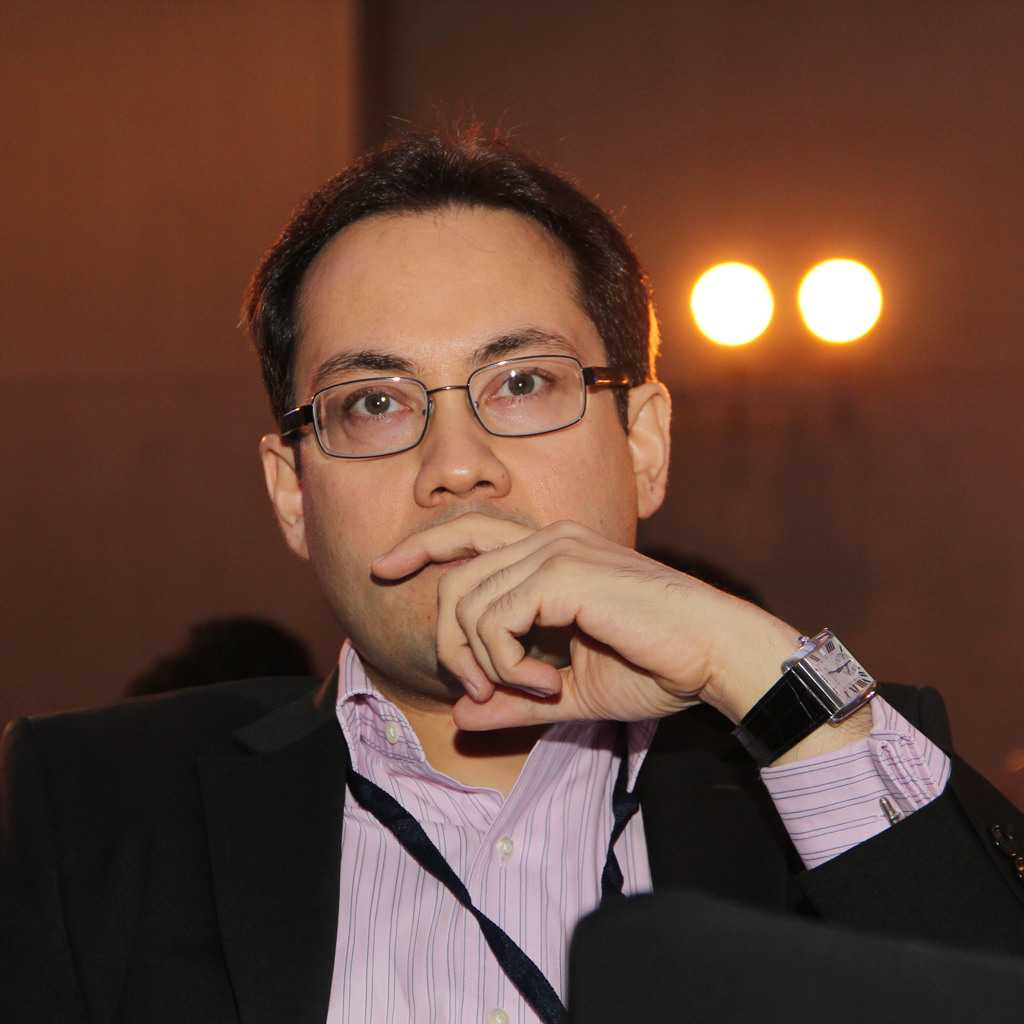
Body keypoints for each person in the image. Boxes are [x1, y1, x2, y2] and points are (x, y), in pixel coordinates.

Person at [2, 126, 1023, 1024]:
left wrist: (755, 668)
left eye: (523, 382)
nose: (456, 465)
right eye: (374, 402)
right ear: (292, 493)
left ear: (645, 443)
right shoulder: (84, 808)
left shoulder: (819, 775)